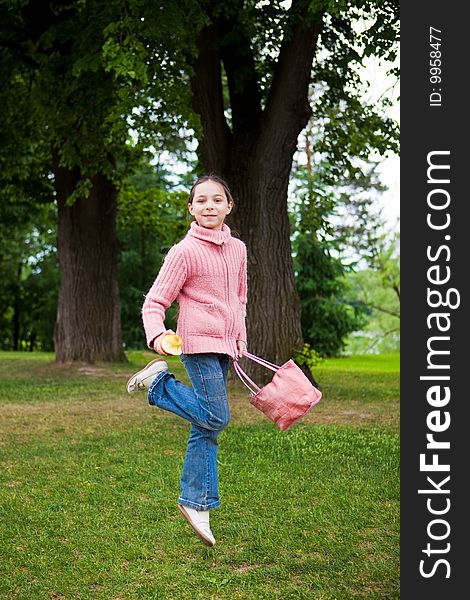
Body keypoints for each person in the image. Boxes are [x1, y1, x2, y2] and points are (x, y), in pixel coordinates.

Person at [126, 175, 248, 547]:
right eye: (201, 201)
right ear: (191, 209)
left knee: (205, 426)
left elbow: (240, 298)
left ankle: (197, 503)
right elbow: (154, 303)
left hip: (226, 345)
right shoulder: (183, 252)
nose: (209, 206)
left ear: (229, 206)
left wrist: (239, 337)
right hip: (195, 344)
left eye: (217, 200)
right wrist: (158, 335)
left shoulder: (239, 249)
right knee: (216, 416)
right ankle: (159, 383)